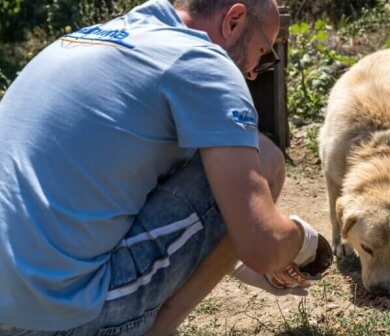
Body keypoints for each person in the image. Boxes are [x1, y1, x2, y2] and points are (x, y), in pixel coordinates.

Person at [0, 0, 325, 334]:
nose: (256, 71)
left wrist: (232, 262)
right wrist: (301, 240)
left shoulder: (87, 41)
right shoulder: (202, 62)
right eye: (263, 51)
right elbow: (264, 246)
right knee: (265, 157)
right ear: (234, 20)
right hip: (59, 317)